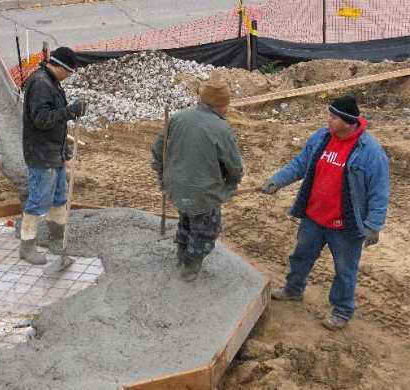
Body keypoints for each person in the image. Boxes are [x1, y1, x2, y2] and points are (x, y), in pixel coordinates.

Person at [261, 95, 389, 330]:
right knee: (301, 255)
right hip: (314, 216)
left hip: (345, 225)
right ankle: (293, 290)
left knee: (344, 270)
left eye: (333, 117)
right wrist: (277, 180)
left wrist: (374, 225)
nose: (327, 120)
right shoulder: (321, 138)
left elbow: (379, 191)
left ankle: (342, 311)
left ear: (348, 121)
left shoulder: (370, 152)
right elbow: (300, 164)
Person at [151, 75, 243, 282]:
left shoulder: (178, 117)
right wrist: (230, 185)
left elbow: (158, 150)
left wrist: (163, 177)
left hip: (176, 188)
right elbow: (234, 167)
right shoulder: (221, 128)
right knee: (205, 231)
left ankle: (181, 255)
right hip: (203, 194)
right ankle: (189, 267)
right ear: (221, 104)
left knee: (185, 220)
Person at [20, 46, 86, 271]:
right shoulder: (40, 84)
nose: (68, 76)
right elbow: (41, 119)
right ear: (58, 66)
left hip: (53, 151)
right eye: (68, 72)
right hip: (41, 153)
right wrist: (69, 111)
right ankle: (27, 245)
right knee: (39, 198)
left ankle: (56, 234)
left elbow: (56, 120)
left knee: (59, 195)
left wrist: (64, 151)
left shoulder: (52, 82)